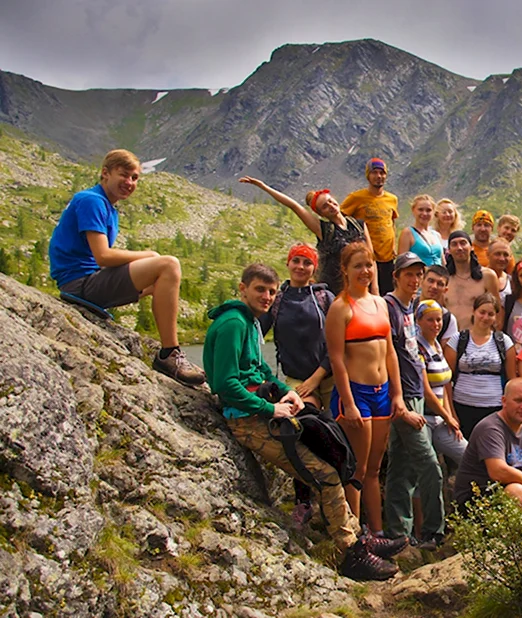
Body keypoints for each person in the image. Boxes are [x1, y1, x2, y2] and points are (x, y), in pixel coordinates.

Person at [204, 263, 399, 581]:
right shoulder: (232, 325)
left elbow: (262, 372)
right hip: (246, 419)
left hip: (262, 408)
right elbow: (226, 384)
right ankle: (351, 553)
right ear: (242, 289)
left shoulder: (251, 323)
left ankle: (358, 537)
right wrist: (270, 410)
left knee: (330, 452)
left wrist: (287, 393)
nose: (266, 297)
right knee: (324, 473)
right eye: (259, 290)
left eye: (270, 291)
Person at [49, 149, 204, 385]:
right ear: (105, 173)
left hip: (87, 280)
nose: (130, 183)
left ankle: (169, 352)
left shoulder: (107, 206)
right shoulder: (92, 200)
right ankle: (169, 354)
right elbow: (102, 256)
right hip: (79, 284)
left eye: (135, 178)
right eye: (124, 175)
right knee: (168, 265)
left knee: (161, 281)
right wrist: (149, 255)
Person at [325, 241, 407, 550]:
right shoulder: (340, 307)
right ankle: (355, 537)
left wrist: (397, 395)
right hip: (355, 393)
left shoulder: (380, 303)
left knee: (374, 469)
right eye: (358, 265)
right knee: (356, 470)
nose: (366, 270)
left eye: (369, 264)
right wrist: (348, 402)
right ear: (344, 270)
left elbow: (391, 354)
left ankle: (377, 532)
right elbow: (336, 360)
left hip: (382, 392)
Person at [257, 243, 335, 529]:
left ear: (314, 268)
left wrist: (318, 377)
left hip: (329, 375)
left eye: (307, 263)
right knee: (300, 431)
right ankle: (304, 501)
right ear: (288, 264)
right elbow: (256, 333)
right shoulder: (278, 299)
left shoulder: (325, 297)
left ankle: (340, 502)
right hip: (295, 381)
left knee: (337, 436)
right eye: (296, 261)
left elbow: (337, 341)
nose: (301, 267)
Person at [381, 252, 445, 549]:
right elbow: (387, 355)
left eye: (419, 274)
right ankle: (433, 531)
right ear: (396, 276)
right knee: (429, 465)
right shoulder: (389, 306)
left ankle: (397, 533)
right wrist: (399, 402)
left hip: (414, 393)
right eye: (409, 273)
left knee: (401, 467)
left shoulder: (410, 308)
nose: (415, 279)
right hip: (402, 396)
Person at [238, 176, 375, 297]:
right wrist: (263, 186)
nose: (331, 206)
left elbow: (371, 259)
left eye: (331, 201)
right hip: (333, 291)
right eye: (325, 206)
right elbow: (295, 206)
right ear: (321, 214)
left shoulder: (359, 225)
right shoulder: (324, 230)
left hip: (361, 288)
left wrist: (375, 289)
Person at [453, 378, 522, 512]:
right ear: (504, 401)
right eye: (518, 400)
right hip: (476, 499)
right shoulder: (490, 428)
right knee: (516, 491)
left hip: (513, 487)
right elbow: (498, 472)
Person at [445, 293, 517, 438]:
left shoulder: (504, 342)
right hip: (462, 406)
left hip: (494, 408)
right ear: (474, 311)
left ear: (495, 317)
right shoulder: (458, 340)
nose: (485, 317)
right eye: (482, 312)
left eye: (490, 314)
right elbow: (446, 379)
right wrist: (450, 413)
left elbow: (512, 380)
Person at [415, 299, 467, 467]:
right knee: (426, 470)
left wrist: (449, 416)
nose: (435, 324)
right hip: (425, 418)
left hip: (441, 418)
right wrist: (447, 417)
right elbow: (426, 391)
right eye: (430, 320)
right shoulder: (417, 348)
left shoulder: (437, 345)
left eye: (438, 320)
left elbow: (443, 384)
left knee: (467, 455)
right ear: (419, 321)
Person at [341, 158, 400, 295]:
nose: (379, 176)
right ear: (368, 175)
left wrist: (393, 245)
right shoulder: (356, 197)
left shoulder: (392, 199)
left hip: (388, 259)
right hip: (366, 259)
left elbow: (392, 222)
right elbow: (340, 217)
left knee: (388, 295)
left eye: (382, 173)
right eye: (374, 172)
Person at [444, 231, 500, 330]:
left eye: (463, 243)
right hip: (450, 340)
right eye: (454, 244)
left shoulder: (487, 276)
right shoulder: (444, 279)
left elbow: (498, 311)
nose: (459, 248)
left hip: (478, 338)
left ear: (471, 247)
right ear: (449, 250)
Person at [397, 195, 445, 267]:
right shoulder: (408, 233)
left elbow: (443, 263)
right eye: (420, 210)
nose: (424, 213)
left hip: (439, 276)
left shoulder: (436, 235)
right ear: (413, 210)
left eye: (428, 210)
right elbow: (401, 264)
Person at [420, 265, 460, 345]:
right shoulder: (407, 308)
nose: (434, 287)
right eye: (430, 281)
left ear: (446, 290)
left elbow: (447, 354)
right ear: (422, 281)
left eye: (440, 284)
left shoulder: (448, 320)